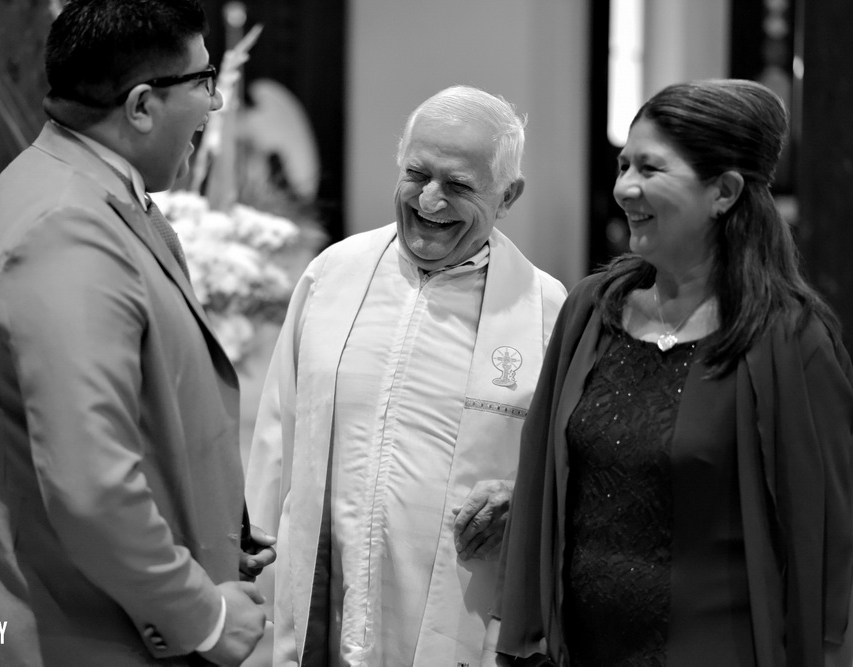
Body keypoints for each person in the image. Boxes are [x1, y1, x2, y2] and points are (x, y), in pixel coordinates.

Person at [0, 1, 275, 665]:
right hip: (56, 613)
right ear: (142, 105)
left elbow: (131, 408)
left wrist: (208, 523)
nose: (213, 103)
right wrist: (202, 616)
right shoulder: (67, 230)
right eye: (204, 82)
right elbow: (92, 489)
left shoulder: (71, 181)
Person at [483, 78, 853, 667]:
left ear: (724, 192)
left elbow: (830, 539)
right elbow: (543, 480)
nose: (625, 187)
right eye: (624, 164)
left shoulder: (789, 339)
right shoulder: (592, 309)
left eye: (651, 170)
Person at [245, 85, 568, 666]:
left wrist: (527, 501)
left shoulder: (545, 310)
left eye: (460, 186)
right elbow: (278, 433)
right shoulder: (332, 276)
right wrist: (252, 577)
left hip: (460, 621)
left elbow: (570, 470)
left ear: (508, 194)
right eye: (416, 173)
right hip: (328, 605)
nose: (430, 200)